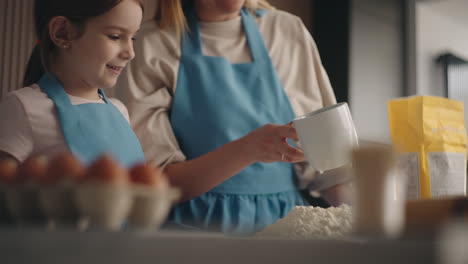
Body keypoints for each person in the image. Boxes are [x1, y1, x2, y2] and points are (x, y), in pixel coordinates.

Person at [116, 0, 353, 234]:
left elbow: (331, 169)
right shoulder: (152, 44)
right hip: (197, 231)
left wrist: (367, 219)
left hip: (287, 227)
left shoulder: (286, 30)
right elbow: (157, 183)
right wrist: (249, 149)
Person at [0, 0, 145, 168]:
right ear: (62, 33)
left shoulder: (121, 111)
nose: (131, 53)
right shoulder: (22, 108)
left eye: (133, 37)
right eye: (115, 36)